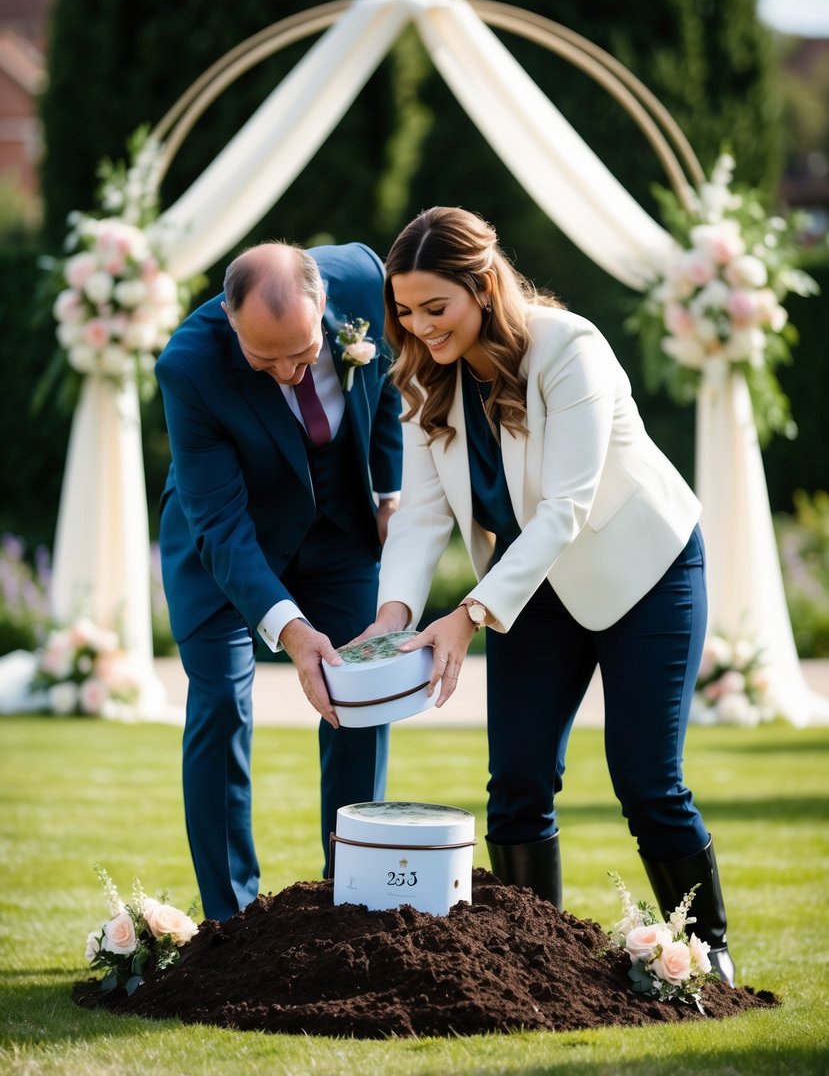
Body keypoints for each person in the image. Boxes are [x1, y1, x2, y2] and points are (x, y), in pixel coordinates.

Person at [361, 206, 735, 984]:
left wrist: (465, 617)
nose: (421, 327)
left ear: (484, 288)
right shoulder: (422, 378)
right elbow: (423, 512)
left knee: (645, 778)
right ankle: (540, 968)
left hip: (646, 573)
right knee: (518, 780)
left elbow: (565, 507)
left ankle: (706, 954)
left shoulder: (571, 350)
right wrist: (393, 617)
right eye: (404, 311)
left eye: (438, 308)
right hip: (532, 590)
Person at [155, 240, 402, 921]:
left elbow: (387, 392)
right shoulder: (188, 367)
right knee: (221, 705)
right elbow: (221, 526)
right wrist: (291, 632)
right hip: (225, 543)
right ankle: (229, 923)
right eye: (263, 362)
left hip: (336, 530)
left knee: (358, 698)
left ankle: (351, 900)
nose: (288, 375)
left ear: (324, 307)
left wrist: (389, 494)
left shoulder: (366, 283)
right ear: (231, 323)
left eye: (299, 356)